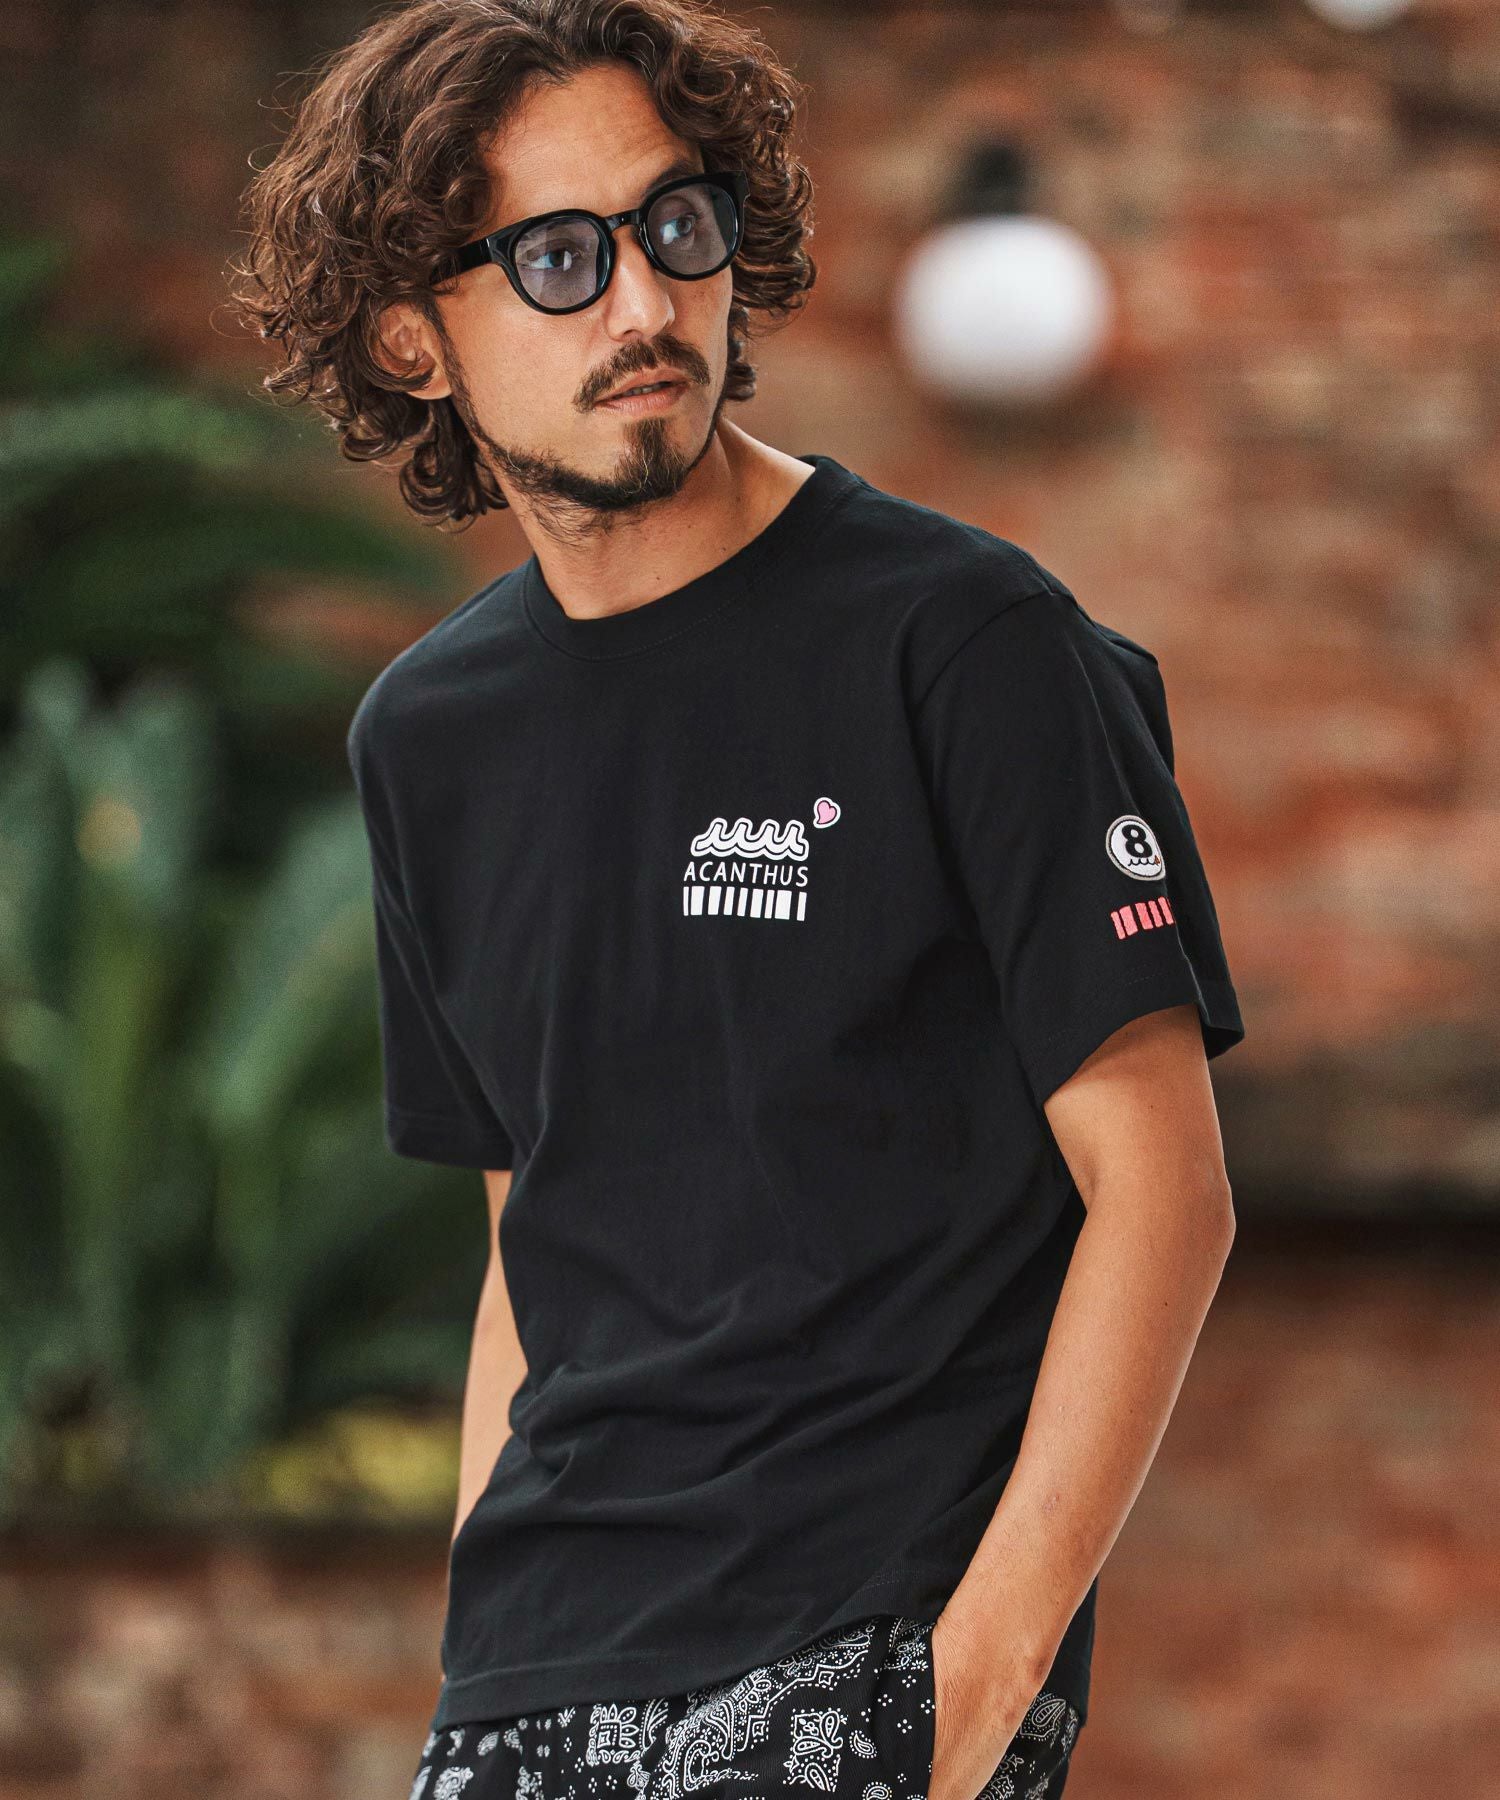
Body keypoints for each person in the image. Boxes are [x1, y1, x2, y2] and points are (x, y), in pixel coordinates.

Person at [232, 4, 1247, 1797]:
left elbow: (1164, 1188)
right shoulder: (429, 740)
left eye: (674, 227)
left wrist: (976, 1689)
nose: (641, 303)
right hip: (531, 1688)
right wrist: (480, 1658)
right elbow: (530, 1239)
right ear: (411, 335)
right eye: (559, 258)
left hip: (861, 1658)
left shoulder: (968, 643)